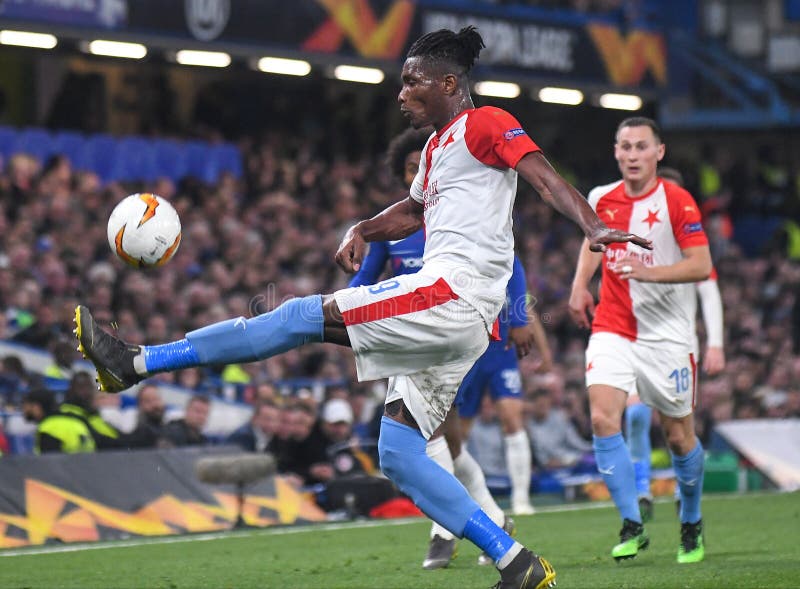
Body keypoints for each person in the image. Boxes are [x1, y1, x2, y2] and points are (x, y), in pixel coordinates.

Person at [75, 26, 650, 589]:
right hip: (462, 316)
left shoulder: (486, 123)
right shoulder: (435, 149)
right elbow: (414, 211)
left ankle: (137, 362)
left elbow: (544, 178)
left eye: (412, 82)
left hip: (453, 294)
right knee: (399, 453)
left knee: (298, 316)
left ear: (449, 83)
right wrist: (364, 229)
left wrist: (596, 226)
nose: (401, 94)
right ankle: (517, 563)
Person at [349, 127, 548, 569]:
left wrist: (518, 317)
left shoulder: (455, 216)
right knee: (448, 442)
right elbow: (363, 281)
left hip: (466, 333)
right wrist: (342, 313)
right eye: (407, 168)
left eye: (418, 164)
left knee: (440, 438)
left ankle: (446, 531)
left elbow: (511, 263)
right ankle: (494, 520)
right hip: (418, 336)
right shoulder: (395, 229)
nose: (415, 172)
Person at [568, 117, 711, 564]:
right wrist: (578, 286)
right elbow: (594, 241)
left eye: (641, 147)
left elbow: (701, 265)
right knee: (602, 418)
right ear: (616, 152)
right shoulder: (600, 198)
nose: (632, 155)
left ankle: (690, 519)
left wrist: (649, 271)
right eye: (625, 147)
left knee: (678, 435)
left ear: (659, 153)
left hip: (667, 334)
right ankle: (632, 523)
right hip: (613, 324)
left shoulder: (678, 202)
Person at [624, 166, 725, 522]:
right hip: (637, 338)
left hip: (677, 343)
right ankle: (641, 492)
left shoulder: (691, 246)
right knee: (635, 413)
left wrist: (716, 343)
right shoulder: (634, 232)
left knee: (681, 430)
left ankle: (687, 493)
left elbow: (709, 291)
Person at [21, 387, 95, 453]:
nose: (24, 410)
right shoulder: (75, 421)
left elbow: (49, 464)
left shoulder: (49, 428)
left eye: (26, 405)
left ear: (36, 407)